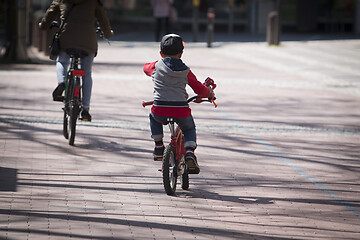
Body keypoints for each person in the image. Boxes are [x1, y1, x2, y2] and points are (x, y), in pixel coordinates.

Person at [143, 33, 215, 174]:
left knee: (153, 116)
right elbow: (201, 90)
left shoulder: (156, 66)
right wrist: (210, 93)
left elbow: (145, 68)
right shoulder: (186, 71)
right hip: (180, 110)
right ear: (181, 54)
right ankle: (189, 153)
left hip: (160, 109)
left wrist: (156, 66)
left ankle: (158, 146)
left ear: (161, 53)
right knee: (188, 129)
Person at [39, 0, 114, 121]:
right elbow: (103, 20)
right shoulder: (94, 2)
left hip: (66, 39)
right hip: (88, 42)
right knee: (87, 73)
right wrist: (108, 33)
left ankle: (62, 82)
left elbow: (49, 15)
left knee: (62, 61)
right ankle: (85, 109)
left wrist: (43, 25)